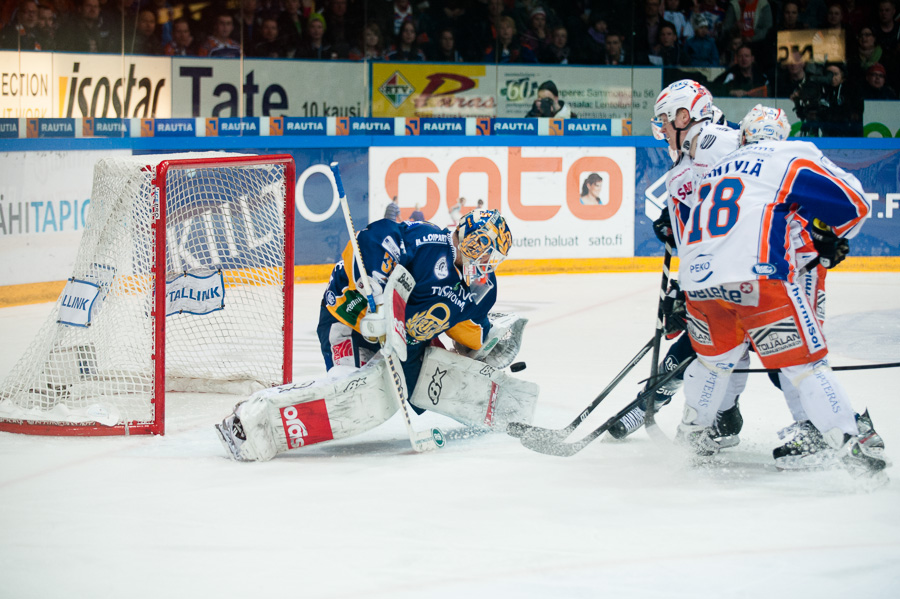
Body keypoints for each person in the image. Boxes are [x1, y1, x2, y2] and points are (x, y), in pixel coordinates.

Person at [214, 210, 537, 461]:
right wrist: (377, 289)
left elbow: (470, 329)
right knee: (351, 388)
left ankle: (491, 403)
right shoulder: (428, 242)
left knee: (406, 383)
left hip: (404, 340)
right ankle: (251, 417)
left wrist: (479, 352)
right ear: (472, 241)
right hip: (351, 317)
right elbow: (375, 237)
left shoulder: (483, 289)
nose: (488, 265)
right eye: (487, 254)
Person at [674, 105, 887, 478]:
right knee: (804, 366)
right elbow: (856, 204)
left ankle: (691, 438)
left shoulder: (714, 171)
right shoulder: (789, 154)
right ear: (779, 136)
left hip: (698, 283)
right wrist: (832, 236)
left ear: (742, 137)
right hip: (757, 281)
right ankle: (854, 449)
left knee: (713, 364)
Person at [609, 80, 745, 441]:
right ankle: (722, 418)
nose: (662, 129)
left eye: (666, 120)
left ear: (685, 115)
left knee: (770, 356)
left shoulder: (719, 145)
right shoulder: (688, 160)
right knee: (724, 348)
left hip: (743, 273)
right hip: (718, 276)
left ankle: (649, 405)